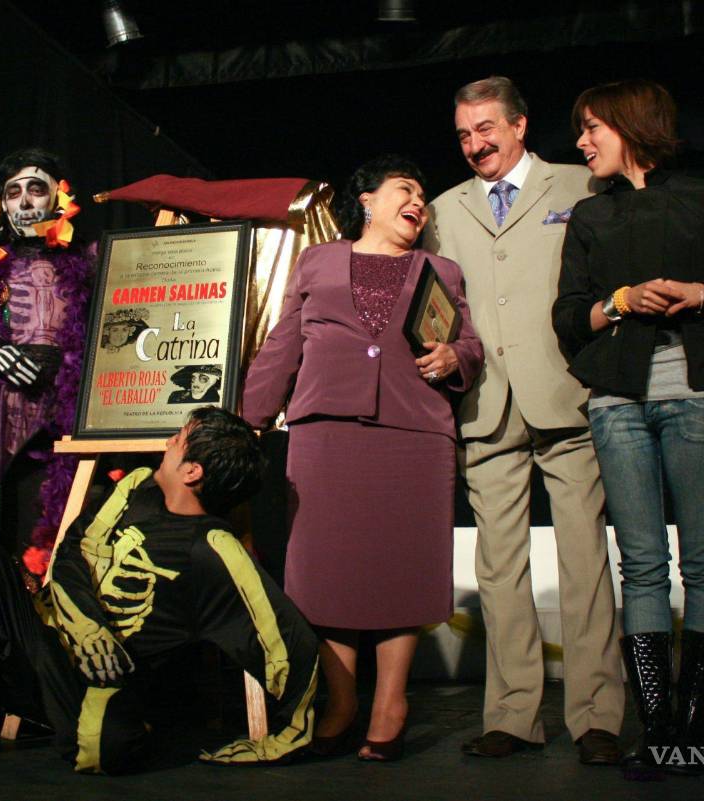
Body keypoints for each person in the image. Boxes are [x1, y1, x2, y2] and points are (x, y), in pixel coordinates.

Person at [0, 406, 319, 773]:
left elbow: (289, 642)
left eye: (178, 440)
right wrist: (87, 626)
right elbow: (72, 554)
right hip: (43, 640)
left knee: (106, 750)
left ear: (192, 471)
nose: (167, 442)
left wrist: (285, 739)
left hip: (93, 687)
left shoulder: (213, 548)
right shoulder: (136, 488)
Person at [552, 79, 704, 778]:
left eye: (591, 128)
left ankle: (694, 731)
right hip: (618, 399)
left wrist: (701, 293)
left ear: (630, 124)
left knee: (703, 561)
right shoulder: (588, 216)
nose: (582, 142)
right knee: (640, 565)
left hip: (697, 394)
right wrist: (619, 301)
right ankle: (659, 730)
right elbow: (567, 318)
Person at [243, 154, 483, 761]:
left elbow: (469, 342)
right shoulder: (316, 260)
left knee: (401, 566)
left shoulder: (441, 269)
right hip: (326, 432)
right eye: (406, 188)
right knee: (326, 569)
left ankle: (389, 702)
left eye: (423, 195)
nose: (418, 201)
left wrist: (456, 359)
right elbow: (283, 343)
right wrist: (245, 420)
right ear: (368, 200)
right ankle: (342, 698)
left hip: (413, 431)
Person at [423, 76, 625, 765]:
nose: (475, 144)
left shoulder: (579, 186)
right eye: (463, 134)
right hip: (482, 400)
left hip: (565, 393)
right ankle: (512, 714)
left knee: (585, 558)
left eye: (486, 129)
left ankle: (599, 712)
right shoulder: (443, 209)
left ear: (519, 126)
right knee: (499, 565)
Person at [0, 148, 93, 580]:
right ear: (2, 204)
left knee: (65, 512)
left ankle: (51, 595)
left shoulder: (87, 262)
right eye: (14, 193)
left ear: (57, 198)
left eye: (37, 190)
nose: (26, 202)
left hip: (67, 401)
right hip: (0, 405)